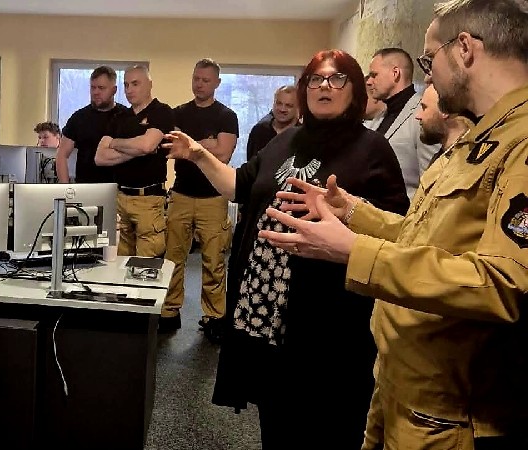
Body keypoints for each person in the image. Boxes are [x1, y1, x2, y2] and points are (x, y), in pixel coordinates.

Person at [260, 1, 528, 448]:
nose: (428, 77)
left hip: (451, 411)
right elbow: (427, 236)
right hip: (404, 385)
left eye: (429, 59)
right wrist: (353, 212)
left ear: (464, 49)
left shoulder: (520, 144)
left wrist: (355, 251)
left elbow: (505, 285)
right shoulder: (480, 138)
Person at [164, 49, 409, 449]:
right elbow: (239, 185)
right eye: (315, 79)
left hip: (327, 319)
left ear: (355, 90)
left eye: (337, 78)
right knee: (276, 417)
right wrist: (197, 154)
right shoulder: (286, 140)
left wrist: (348, 215)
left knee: (325, 421)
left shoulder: (372, 148)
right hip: (265, 311)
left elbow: (398, 231)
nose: (324, 86)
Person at [160, 58, 238, 338]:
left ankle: (214, 317)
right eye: (196, 79)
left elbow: (224, 154)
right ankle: (169, 311)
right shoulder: (178, 113)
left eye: (206, 80)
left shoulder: (226, 115)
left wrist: (192, 146)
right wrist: (208, 143)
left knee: (213, 260)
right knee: (173, 258)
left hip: (213, 198)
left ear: (217, 83)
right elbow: (173, 148)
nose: (200, 84)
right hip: (181, 194)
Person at [95, 65, 174, 257]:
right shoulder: (119, 117)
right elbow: (100, 157)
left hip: (148, 200)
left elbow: (146, 145)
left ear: (149, 84)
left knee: (146, 264)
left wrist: (116, 144)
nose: (129, 90)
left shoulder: (162, 112)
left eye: (135, 84)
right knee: (120, 262)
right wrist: (137, 149)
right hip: (121, 198)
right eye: (126, 85)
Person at [367, 48, 440, 198]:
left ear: (395, 73)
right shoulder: (380, 116)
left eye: (374, 75)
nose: (369, 81)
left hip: (406, 209)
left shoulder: (422, 112)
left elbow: (431, 177)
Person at [56, 66, 128, 183]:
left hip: (119, 188)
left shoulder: (126, 116)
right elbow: (62, 154)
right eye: (93, 87)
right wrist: (66, 188)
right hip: (86, 187)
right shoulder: (79, 118)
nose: (96, 92)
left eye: (101, 88)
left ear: (114, 90)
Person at [415, 83, 471, 166]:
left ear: (444, 111)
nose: (418, 116)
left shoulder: (466, 162)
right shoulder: (441, 158)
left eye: (424, 107)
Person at [246, 85, 299, 160]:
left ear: (298, 108)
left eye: (289, 106)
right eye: (279, 103)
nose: (282, 109)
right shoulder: (259, 131)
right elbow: (251, 163)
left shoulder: (304, 135)